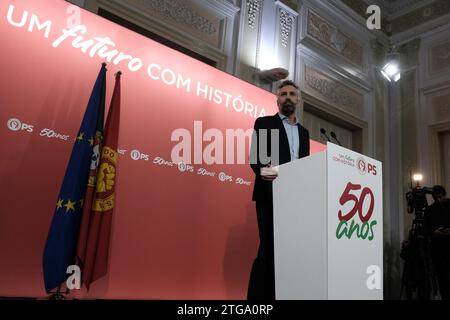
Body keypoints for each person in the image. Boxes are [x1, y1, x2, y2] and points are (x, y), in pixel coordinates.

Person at [247, 80, 310, 300]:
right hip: (270, 195)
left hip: (294, 201)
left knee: (287, 253)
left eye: (292, 94)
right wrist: (268, 173)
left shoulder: (304, 132)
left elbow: (304, 165)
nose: (288, 97)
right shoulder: (265, 123)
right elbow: (257, 160)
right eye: (283, 94)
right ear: (277, 99)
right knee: (267, 251)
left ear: (298, 99)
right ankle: (257, 301)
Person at [424, 185, 450, 300]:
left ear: (444, 195)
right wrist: (435, 232)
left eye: (441, 197)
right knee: (441, 276)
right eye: (436, 198)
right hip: (438, 247)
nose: (439, 200)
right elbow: (426, 229)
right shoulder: (430, 210)